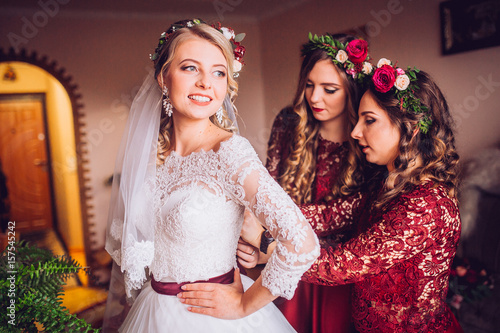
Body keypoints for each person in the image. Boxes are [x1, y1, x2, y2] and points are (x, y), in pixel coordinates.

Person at [191, 58, 464, 332]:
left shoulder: (427, 205)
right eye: (359, 120)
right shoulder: (388, 183)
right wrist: (263, 215)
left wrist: (264, 241)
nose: (356, 132)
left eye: (369, 121)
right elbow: (328, 215)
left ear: (412, 128)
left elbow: (339, 265)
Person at [102, 19, 320, 332]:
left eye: (219, 71)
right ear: (164, 78)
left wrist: (245, 304)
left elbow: (303, 243)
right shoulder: (154, 157)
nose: (207, 82)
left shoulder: (229, 152)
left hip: (210, 318)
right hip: (153, 312)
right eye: (191, 68)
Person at [238, 33, 372, 333]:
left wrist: (267, 237)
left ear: (351, 90)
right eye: (309, 85)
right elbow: (267, 189)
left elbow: (343, 213)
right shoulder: (289, 122)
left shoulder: (369, 141)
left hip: (332, 272)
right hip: (281, 262)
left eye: (329, 89)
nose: (314, 97)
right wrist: (259, 242)